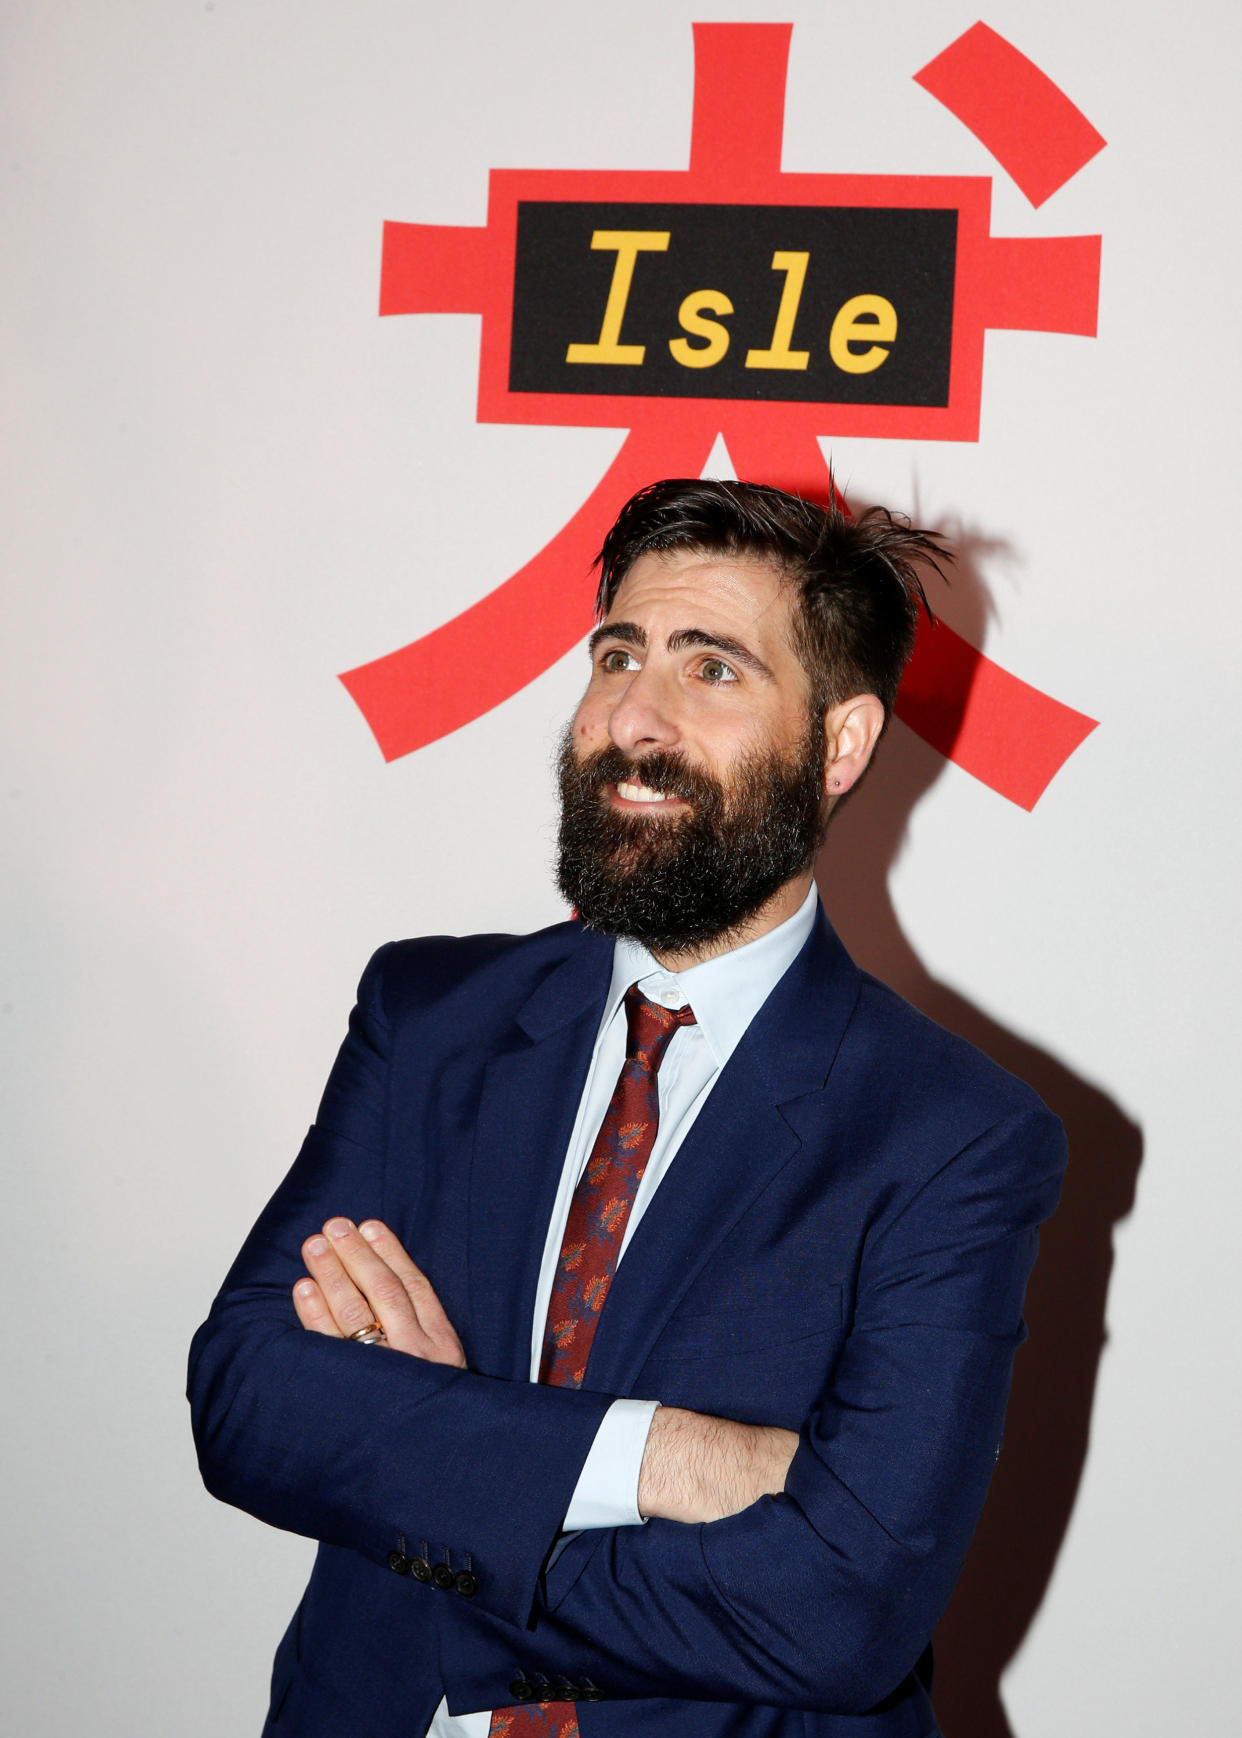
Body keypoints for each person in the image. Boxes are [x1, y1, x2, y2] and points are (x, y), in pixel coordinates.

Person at [189, 478, 1066, 1738]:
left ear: (840, 744)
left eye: (712, 670)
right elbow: (246, 1394)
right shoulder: (429, 1015)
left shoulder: (953, 1137)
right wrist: (659, 1456)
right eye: (618, 654)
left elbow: (846, 1610)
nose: (632, 715)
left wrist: (433, 1461)